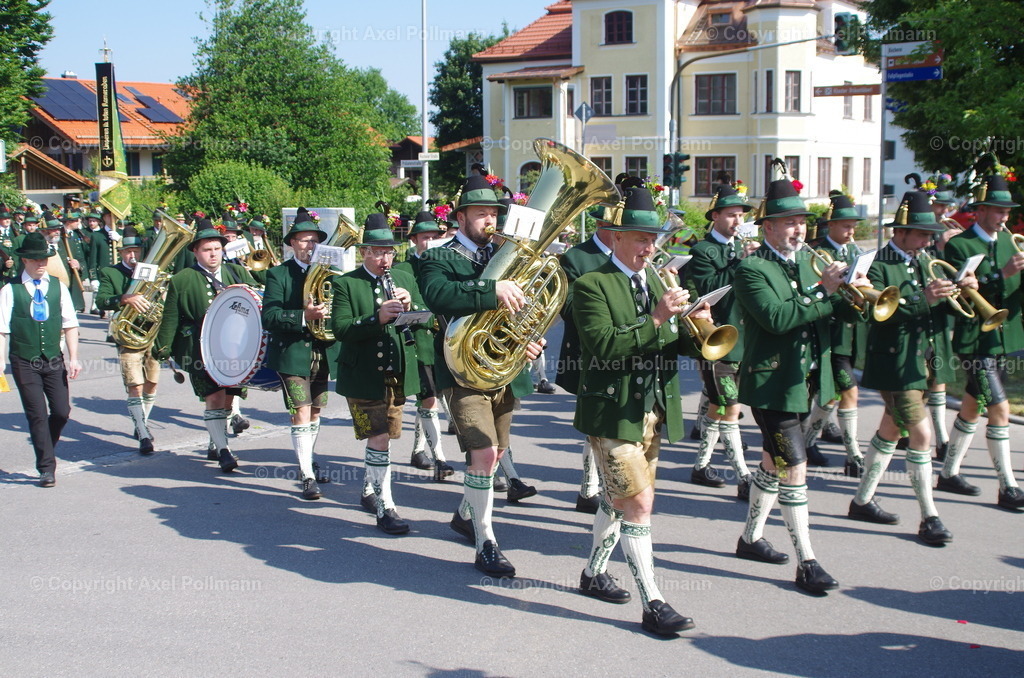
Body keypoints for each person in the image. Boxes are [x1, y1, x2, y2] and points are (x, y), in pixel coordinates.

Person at [571, 184, 706, 636]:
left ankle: (593, 573)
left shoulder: (653, 280)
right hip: (611, 412)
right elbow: (606, 347)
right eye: (641, 239)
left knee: (618, 497)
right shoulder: (592, 284)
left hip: (651, 408)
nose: (650, 248)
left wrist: (697, 323)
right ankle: (654, 602)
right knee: (639, 503)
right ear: (615, 238)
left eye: (655, 240)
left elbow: (671, 344)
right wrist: (658, 320)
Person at [732, 176, 856, 594]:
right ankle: (808, 561)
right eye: (788, 222)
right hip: (773, 385)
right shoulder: (751, 268)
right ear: (767, 227)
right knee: (794, 468)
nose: (798, 229)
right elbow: (778, 319)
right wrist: (823, 292)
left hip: (806, 382)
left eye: (801, 221)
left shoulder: (809, 262)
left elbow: (833, 314)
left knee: (774, 461)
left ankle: (750, 538)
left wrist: (850, 296)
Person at [419, 174, 545, 577]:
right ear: (461, 218)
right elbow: (440, 296)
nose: (489, 219)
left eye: (493, 212)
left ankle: (463, 514)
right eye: (481, 213)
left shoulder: (509, 254)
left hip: (502, 368)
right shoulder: (439, 257)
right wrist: (491, 289)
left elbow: (530, 304)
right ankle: (485, 540)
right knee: (485, 453)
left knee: (497, 454)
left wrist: (529, 339)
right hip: (461, 371)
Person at [848, 190, 958, 544]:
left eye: (930, 234)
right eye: (922, 233)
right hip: (895, 362)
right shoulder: (877, 265)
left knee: (892, 429)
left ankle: (862, 500)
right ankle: (929, 516)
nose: (928, 239)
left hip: (923, 359)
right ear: (901, 232)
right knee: (921, 436)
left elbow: (934, 310)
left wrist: (956, 292)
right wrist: (925, 298)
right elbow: (882, 314)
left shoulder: (923, 260)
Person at [332, 210, 430, 534]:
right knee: (377, 436)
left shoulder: (404, 278)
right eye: (377, 252)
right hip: (360, 377)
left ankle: (367, 490)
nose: (385, 258)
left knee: (384, 437)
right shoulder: (346, 283)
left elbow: (426, 320)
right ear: (364, 253)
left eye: (389, 251)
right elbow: (341, 329)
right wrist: (376, 318)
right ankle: (386, 507)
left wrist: (411, 305)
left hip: (395, 373)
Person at [939, 174, 1024, 510]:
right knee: (999, 409)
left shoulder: (1008, 241)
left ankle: (948, 473)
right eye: (999, 211)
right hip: (975, 339)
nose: (1005, 217)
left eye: (1007, 211)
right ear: (982, 210)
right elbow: (964, 292)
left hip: (1003, 338)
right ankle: (1008, 486)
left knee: (972, 405)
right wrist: (1000, 275)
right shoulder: (960, 244)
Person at [153, 219, 258, 472]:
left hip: (235, 348)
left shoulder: (237, 273)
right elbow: (171, 317)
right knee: (213, 397)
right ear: (196, 252)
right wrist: (162, 348)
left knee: (228, 399)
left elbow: (255, 304)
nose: (213, 254)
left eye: (217, 249)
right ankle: (224, 451)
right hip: (199, 349)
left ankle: (215, 441)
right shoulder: (182, 279)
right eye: (207, 249)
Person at [686, 177, 756, 499]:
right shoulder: (703, 250)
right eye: (730, 214)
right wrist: (740, 263)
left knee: (718, 405)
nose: (737, 221)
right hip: (717, 339)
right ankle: (744, 476)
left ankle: (701, 465)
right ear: (715, 216)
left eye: (741, 215)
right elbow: (708, 291)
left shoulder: (743, 251)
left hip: (745, 340)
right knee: (729, 406)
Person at [261, 208, 334, 500]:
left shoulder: (330, 273)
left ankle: (309, 460)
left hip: (322, 352)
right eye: (303, 241)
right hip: (291, 354)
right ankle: (306, 475)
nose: (309, 246)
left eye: (314, 240)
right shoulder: (278, 274)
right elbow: (269, 316)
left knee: (316, 410)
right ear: (292, 243)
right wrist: (304, 316)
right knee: (301, 410)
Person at [0, 230, 81, 487]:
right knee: (36, 414)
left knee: (61, 412)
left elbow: (70, 325)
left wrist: (74, 358)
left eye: (44, 260)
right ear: (25, 260)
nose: (41, 265)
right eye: (36, 260)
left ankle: (46, 444)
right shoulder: (10, 290)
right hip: (24, 359)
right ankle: (46, 468)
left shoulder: (58, 287)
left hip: (53, 358)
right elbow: (2, 329)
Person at [556, 200, 618, 514]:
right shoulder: (576, 257)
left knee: (601, 423)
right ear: (602, 227)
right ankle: (591, 490)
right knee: (596, 422)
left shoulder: (627, 258)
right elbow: (566, 307)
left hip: (621, 351)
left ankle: (588, 490)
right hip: (586, 352)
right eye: (619, 230)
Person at [803, 191, 869, 474]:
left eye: (853, 225)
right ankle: (854, 455)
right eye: (845, 225)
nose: (851, 230)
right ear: (830, 225)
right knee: (848, 391)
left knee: (829, 395)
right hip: (829, 334)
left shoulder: (856, 252)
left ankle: (806, 440)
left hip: (850, 334)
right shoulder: (816, 251)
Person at [392, 209, 455, 480]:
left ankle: (418, 450)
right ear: (414, 239)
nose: (430, 242)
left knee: (432, 397)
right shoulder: (404, 269)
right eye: (425, 237)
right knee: (428, 398)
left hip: (445, 340)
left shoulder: (444, 262)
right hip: (417, 341)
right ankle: (439, 457)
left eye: (434, 237)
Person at [95, 235, 162, 455]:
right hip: (128, 335)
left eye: (135, 251)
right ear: (121, 252)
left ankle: (142, 421)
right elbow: (101, 301)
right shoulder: (111, 272)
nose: (132, 256)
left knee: (152, 382)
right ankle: (143, 432)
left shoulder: (152, 270)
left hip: (152, 332)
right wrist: (124, 298)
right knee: (135, 384)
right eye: (127, 252)